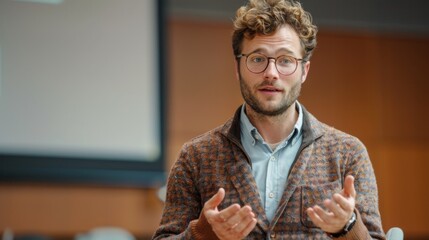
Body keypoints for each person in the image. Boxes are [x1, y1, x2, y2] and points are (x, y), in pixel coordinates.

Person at [153, 0, 385, 239]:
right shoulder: (196, 156)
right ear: (238, 67)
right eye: (257, 59)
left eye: (285, 60)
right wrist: (203, 233)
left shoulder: (347, 153)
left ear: (304, 71)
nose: (271, 73)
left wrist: (347, 227)